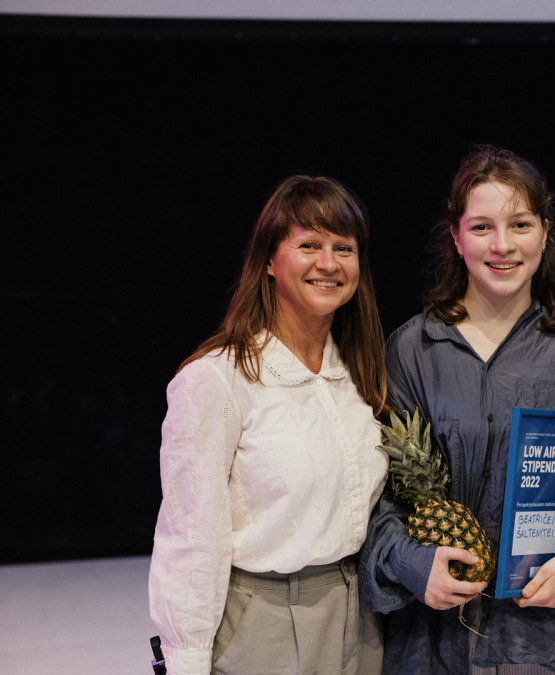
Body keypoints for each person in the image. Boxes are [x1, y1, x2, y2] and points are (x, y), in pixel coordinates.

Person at [358, 145, 555, 675]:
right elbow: (371, 493)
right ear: (456, 238)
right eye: (481, 228)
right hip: (428, 639)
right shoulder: (411, 350)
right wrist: (414, 565)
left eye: (520, 224)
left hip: (539, 643)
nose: (502, 246)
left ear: (545, 233)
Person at [148, 175, 389, 674]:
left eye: (343, 248)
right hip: (263, 626)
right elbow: (192, 537)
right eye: (308, 245)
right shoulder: (217, 379)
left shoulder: (358, 374)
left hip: (360, 619)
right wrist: (186, 660)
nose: (328, 263)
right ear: (268, 263)